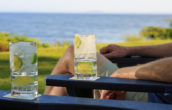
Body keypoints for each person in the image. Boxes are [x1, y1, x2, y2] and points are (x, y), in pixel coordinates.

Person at [44, 42, 172, 103]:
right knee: (66, 80)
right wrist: (129, 50)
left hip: (155, 98)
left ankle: (39, 104)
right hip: (156, 90)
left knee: (75, 53)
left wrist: (121, 73)